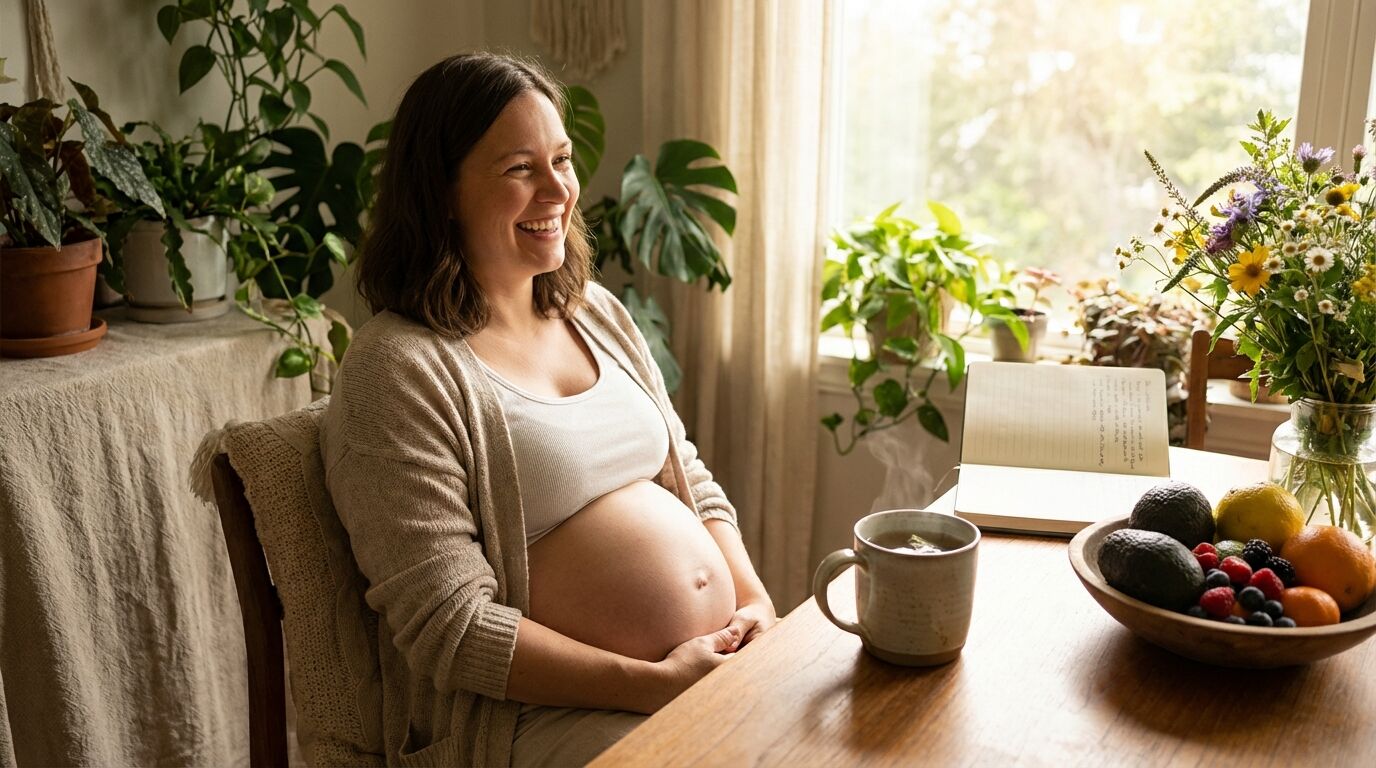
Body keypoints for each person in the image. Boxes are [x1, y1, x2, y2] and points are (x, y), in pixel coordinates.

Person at [319, 52, 777, 767]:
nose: (559, 190)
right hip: (537, 717)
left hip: (700, 673)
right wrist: (651, 686)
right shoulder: (397, 367)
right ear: (442, 191)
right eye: (520, 168)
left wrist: (754, 606)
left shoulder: (596, 312)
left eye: (561, 160)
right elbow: (450, 625)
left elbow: (687, 478)